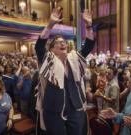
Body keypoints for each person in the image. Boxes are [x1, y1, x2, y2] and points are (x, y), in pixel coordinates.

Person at [35, 7, 95, 135]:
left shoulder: (74, 59)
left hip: (76, 107)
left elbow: (89, 46)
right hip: (54, 111)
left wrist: (89, 26)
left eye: (64, 42)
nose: (63, 44)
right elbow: (39, 46)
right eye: (58, 42)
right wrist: (51, 24)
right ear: (51, 49)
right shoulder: (47, 60)